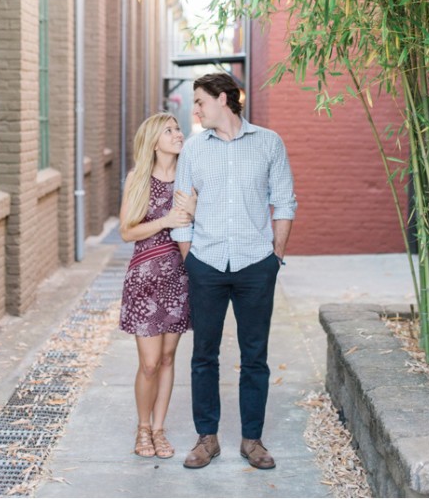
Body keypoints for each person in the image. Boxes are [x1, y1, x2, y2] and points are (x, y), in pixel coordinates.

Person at [171, 72, 296, 471]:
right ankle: (207, 438)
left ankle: (251, 439)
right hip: (206, 263)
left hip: (255, 265)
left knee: (254, 356)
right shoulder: (193, 149)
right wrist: (189, 256)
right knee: (203, 355)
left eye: (200, 102)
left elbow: (285, 202)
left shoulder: (268, 143)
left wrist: (274, 257)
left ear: (223, 99)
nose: (196, 110)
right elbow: (182, 208)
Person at [118, 113, 196, 460]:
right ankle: (142, 427)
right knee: (149, 362)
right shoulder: (138, 179)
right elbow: (126, 231)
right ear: (153, 141)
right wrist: (165, 220)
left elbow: (198, 222)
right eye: (169, 130)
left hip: (178, 279)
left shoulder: (188, 177)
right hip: (145, 280)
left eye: (178, 128)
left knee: (167, 358)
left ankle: (160, 429)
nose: (178, 134)